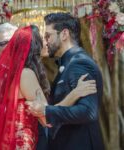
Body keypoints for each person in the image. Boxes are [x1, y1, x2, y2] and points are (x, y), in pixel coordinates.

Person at [0, 25, 96, 150]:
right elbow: (46, 118)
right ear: (34, 47)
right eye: (43, 39)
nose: (46, 42)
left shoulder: (14, 74)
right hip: (22, 143)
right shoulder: (26, 74)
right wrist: (75, 94)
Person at [27, 13, 105, 150]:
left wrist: (47, 111)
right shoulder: (68, 63)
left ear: (64, 34)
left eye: (48, 36)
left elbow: (88, 111)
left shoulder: (80, 63)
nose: (45, 41)